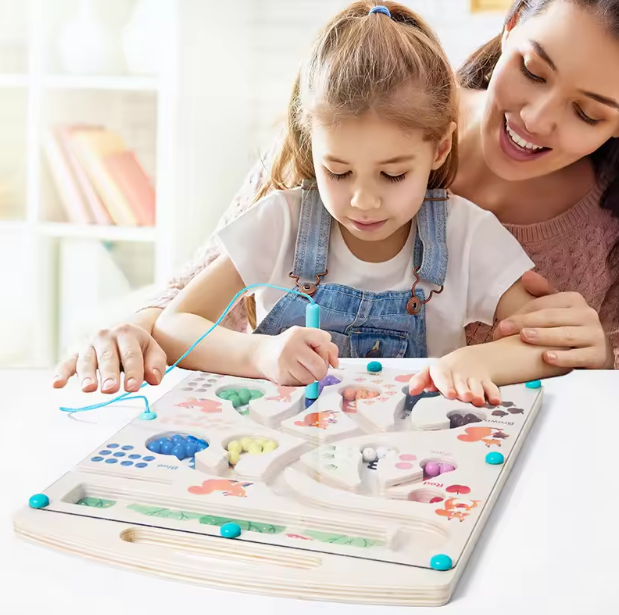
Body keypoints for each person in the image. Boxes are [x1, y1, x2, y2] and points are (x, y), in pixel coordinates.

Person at [53, 0, 619, 396]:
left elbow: (545, 356)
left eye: (589, 112)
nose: (362, 201)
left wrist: (590, 363)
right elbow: (177, 316)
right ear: (512, 23)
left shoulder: (469, 232)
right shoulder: (333, 149)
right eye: (532, 70)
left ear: (436, 149)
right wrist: (144, 334)